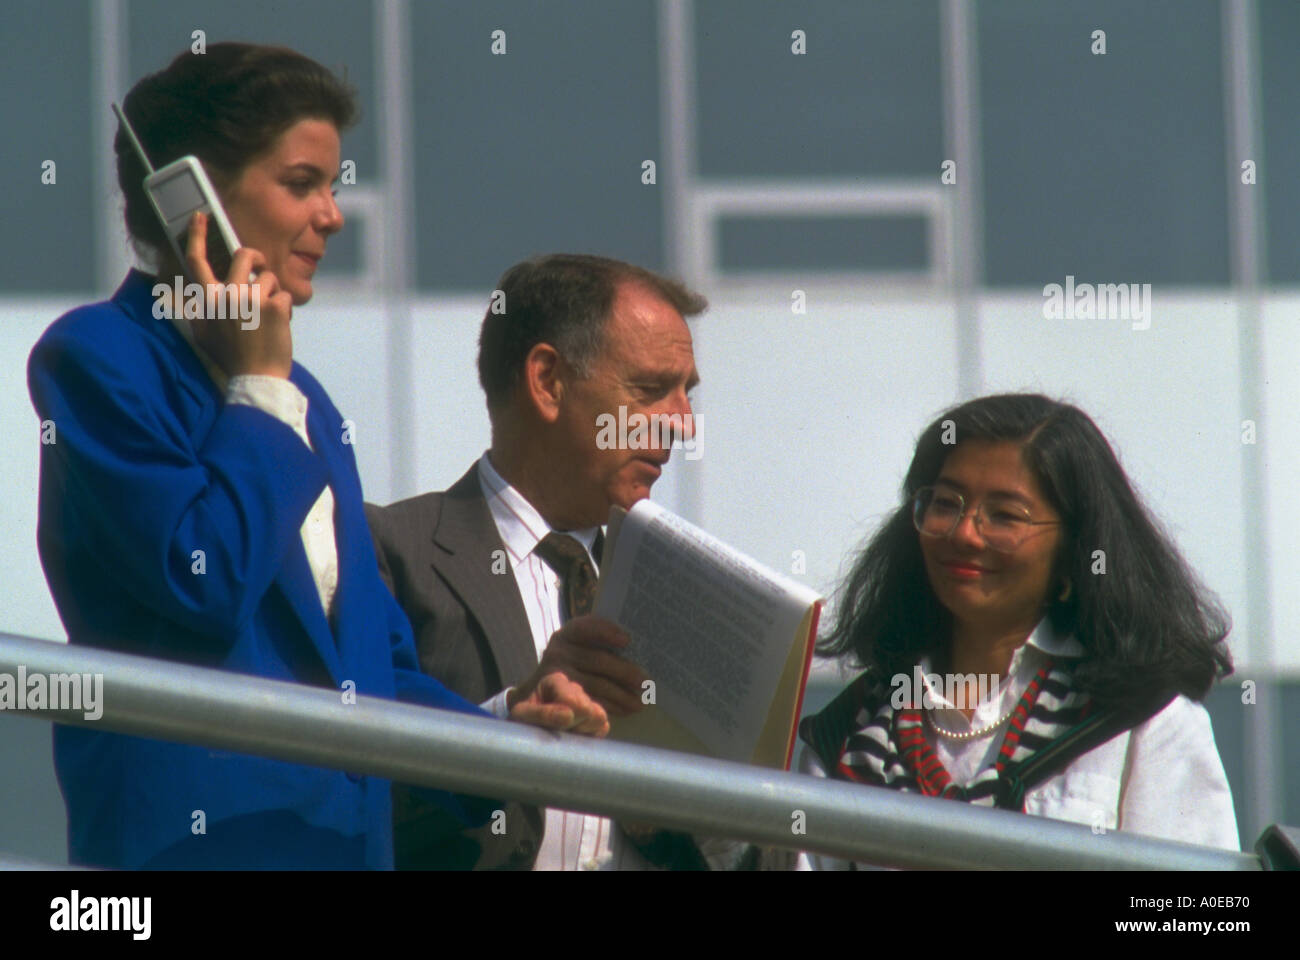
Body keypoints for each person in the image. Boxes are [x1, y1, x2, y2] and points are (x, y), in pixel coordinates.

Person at [28, 43, 601, 870]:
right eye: (302, 184)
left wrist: (507, 733)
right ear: (192, 198)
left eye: (332, 186)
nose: (332, 215)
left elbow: (374, 670)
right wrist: (257, 389)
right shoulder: (97, 359)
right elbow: (202, 578)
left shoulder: (310, 403)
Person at [366, 253, 710, 869]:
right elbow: (349, 785)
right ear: (548, 381)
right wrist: (507, 724)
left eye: (687, 394)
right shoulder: (390, 552)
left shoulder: (680, 596)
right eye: (653, 389)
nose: (684, 424)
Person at [794, 393, 1238, 868]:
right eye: (946, 503)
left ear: (1074, 552)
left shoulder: (1141, 719)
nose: (964, 533)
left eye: (1004, 515)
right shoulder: (851, 732)